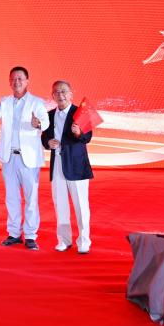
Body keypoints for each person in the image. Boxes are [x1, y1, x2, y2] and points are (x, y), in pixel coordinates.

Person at [0, 66, 49, 251]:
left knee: (31, 198)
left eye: (20, 79)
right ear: (9, 82)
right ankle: (14, 233)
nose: (17, 82)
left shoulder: (36, 102)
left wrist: (38, 123)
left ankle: (30, 235)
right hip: (9, 157)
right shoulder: (5, 101)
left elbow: (45, 122)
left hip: (28, 158)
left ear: (27, 81)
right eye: (13, 79)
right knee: (11, 198)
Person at [41, 80, 94, 254]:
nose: (60, 95)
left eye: (64, 91)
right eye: (56, 92)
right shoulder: (49, 115)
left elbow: (88, 136)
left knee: (81, 205)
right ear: (52, 95)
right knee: (60, 204)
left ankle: (84, 240)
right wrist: (48, 142)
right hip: (57, 164)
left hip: (76, 165)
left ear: (71, 94)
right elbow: (44, 137)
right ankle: (64, 240)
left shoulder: (80, 113)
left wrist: (79, 133)